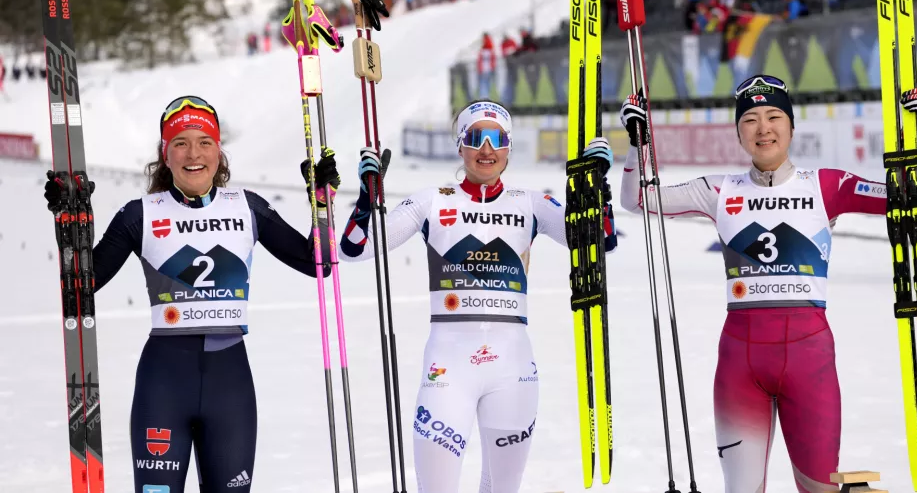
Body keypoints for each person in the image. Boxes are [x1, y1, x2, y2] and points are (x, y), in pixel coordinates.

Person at [617, 75, 917, 493]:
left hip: (810, 363)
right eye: (750, 119)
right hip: (740, 367)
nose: (763, 128)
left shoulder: (827, 185)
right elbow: (637, 199)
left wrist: (916, 135)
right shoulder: (718, 189)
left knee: (820, 488)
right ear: (738, 132)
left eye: (773, 116)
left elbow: (906, 194)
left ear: (791, 126)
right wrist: (638, 144)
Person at [42, 96, 341, 492]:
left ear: (219, 152)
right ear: (165, 155)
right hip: (163, 384)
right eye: (180, 142)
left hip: (229, 386)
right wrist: (70, 223)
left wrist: (321, 203)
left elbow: (317, 264)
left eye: (205, 141)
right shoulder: (140, 214)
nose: (193, 153)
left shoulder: (247, 208)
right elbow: (80, 292)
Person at [339, 100, 618, 493]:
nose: (486, 149)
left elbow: (600, 243)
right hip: (447, 368)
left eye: (497, 139)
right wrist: (367, 202)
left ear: (508, 148)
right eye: (475, 138)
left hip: (513, 369)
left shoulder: (532, 203)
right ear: (460, 146)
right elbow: (354, 249)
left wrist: (596, 192)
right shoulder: (431, 200)